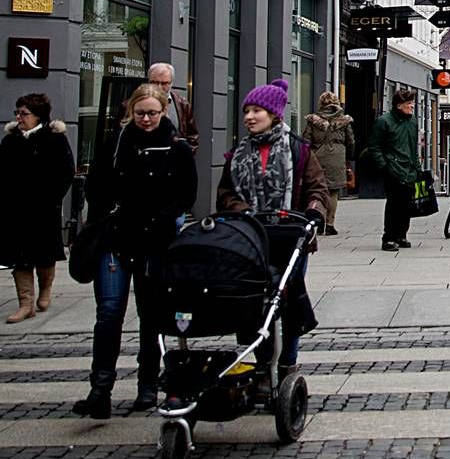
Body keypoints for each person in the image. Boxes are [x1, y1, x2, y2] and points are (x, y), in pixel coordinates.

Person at [74, 84, 196, 419]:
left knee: (151, 316)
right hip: (116, 240)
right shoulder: (116, 144)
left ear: (163, 112)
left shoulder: (177, 147)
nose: (145, 119)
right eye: (140, 113)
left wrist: (164, 217)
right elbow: (96, 187)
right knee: (109, 314)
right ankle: (100, 388)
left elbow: (186, 195)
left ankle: (147, 385)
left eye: (152, 113)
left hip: (154, 243)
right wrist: (106, 214)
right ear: (131, 112)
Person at [216, 78, 328, 379]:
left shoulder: (299, 150)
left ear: (274, 114)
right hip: (251, 239)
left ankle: (287, 363)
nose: (249, 117)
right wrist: (243, 212)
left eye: (256, 111)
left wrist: (313, 214)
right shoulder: (238, 154)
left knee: (288, 301)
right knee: (254, 302)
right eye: (246, 111)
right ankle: (264, 363)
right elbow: (225, 193)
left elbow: (317, 188)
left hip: (290, 237)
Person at [1, 94, 75, 323]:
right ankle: (25, 303)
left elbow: (66, 171)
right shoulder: (11, 140)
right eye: (17, 113)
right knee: (20, 257)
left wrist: (52, 198)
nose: (19, 118)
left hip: (43, 209)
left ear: (38, 115)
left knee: (43, 255)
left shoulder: (54, 139)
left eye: (24, 113)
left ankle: (45, 289)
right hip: (15, 209)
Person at [370, 87, 421, 250]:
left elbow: (414, 147)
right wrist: (384, 166)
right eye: (409, 103)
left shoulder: (412, 121)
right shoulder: (384, 121)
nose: (412, 106)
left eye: (412, 103)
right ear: (399, 105)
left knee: (406, 204)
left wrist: (417, 166)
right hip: (393, 168)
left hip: (409, 169)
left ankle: (401, 235)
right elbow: (374, 146)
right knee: (394, 204)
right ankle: (389, 237)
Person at [304, 91, 354, 236]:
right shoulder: (344, 121)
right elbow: (350, 141)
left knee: (319, 190)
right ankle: (330, 224)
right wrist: (347, 157)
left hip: (317, 158)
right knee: (333, 192)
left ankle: (319, 223)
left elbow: (306, 140)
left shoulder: (313, 120)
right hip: (337, 158)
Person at [147, 62, 200, 151]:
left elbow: (193, 137)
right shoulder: (131, 105)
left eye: (164, 83)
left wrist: (184, 157)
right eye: (155, 83)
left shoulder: (183, 105)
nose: (159, 87)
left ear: (171, 83)